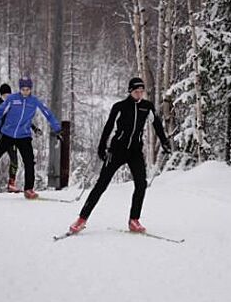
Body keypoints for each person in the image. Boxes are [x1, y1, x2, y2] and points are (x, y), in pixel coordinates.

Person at [68, 77, 171, 234]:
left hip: (135, 151)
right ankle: (81, 219)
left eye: (142, 91)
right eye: (137, 91)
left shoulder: (147, 107)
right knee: (101, 185)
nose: (139, 94)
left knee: (141, 184)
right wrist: (102, 146)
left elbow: (157, 124)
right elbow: (109, 126)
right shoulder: (120, 107)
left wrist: (164, 142)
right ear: (130, 91)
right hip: (117, 150)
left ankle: (134, 220)